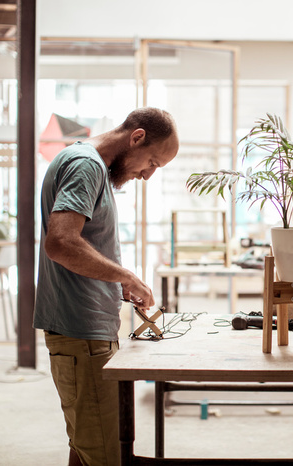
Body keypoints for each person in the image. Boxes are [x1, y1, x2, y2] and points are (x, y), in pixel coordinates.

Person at [34, 107, 179, 465]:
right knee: (101, 452)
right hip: (81, 332)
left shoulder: (85, 162)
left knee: (85, 445)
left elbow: (79, 244)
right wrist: (125, 276)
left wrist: (116, 280)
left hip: (84, 330)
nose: (147, 175)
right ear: (137, 137)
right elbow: (61, 243)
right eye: (152, 163)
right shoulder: (87, 165)